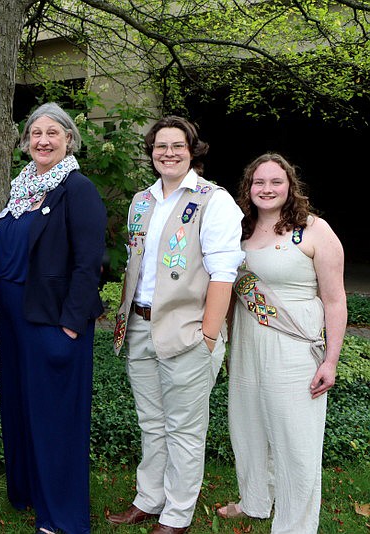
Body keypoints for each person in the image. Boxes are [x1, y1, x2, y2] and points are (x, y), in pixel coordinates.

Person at [108, 116, 244, 534]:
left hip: (187, 330)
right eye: (159, 146)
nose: (168, 153)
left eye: (176, 146)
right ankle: (149, 499)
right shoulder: (141, 201)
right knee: (151, 421)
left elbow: (224, 273)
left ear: (192, 150)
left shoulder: (212, 200)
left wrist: (207, 335)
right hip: (140, 326)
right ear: (151, 152)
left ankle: (177, 514)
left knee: (184, 428)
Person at [0, 102, 107, 534]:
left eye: (52, 133)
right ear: (26, 143)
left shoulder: (76, 188)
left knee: (56, 416)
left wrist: (72, 322)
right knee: (21, 407)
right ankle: (29, 493)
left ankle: (62, 516)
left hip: (54, 318)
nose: (43, 140)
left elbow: (90, 261)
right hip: (15, 317)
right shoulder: (23, 187)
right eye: (36, 133)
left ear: (69, 140)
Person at [216, 153, 346, 533]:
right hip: (247, 346)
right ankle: (255, 500)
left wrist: (331, 360)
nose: (267, 189)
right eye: (259, 182)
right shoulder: (238, 230)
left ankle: (295, 524)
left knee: (295, 440)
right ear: (249, 187)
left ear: (290, 186)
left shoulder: (313, 230)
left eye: (276, 182)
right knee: (249, 428)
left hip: (294, 348)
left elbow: (336, 299)